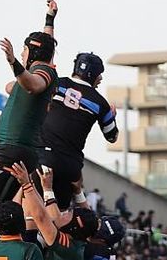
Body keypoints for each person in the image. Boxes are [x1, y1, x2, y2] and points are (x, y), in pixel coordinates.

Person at [0, 1, 58, 205]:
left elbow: (34, 85)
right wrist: (49, 19)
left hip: (13, 150)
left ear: (33, 53)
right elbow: (46, 45)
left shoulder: (43, 71)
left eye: (24, 50)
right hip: (17, 149)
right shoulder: (42, 66)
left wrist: (13, 62)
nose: (21, 54)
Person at [37, 51, 119, 209]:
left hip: (43, 156)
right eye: (99, 74)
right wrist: (111, 116)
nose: (100, 79)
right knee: (58, 215)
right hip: (70, 165)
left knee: (30, 211)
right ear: (92, 74)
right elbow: (112, 137)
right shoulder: (101, 103)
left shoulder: (56, 83)